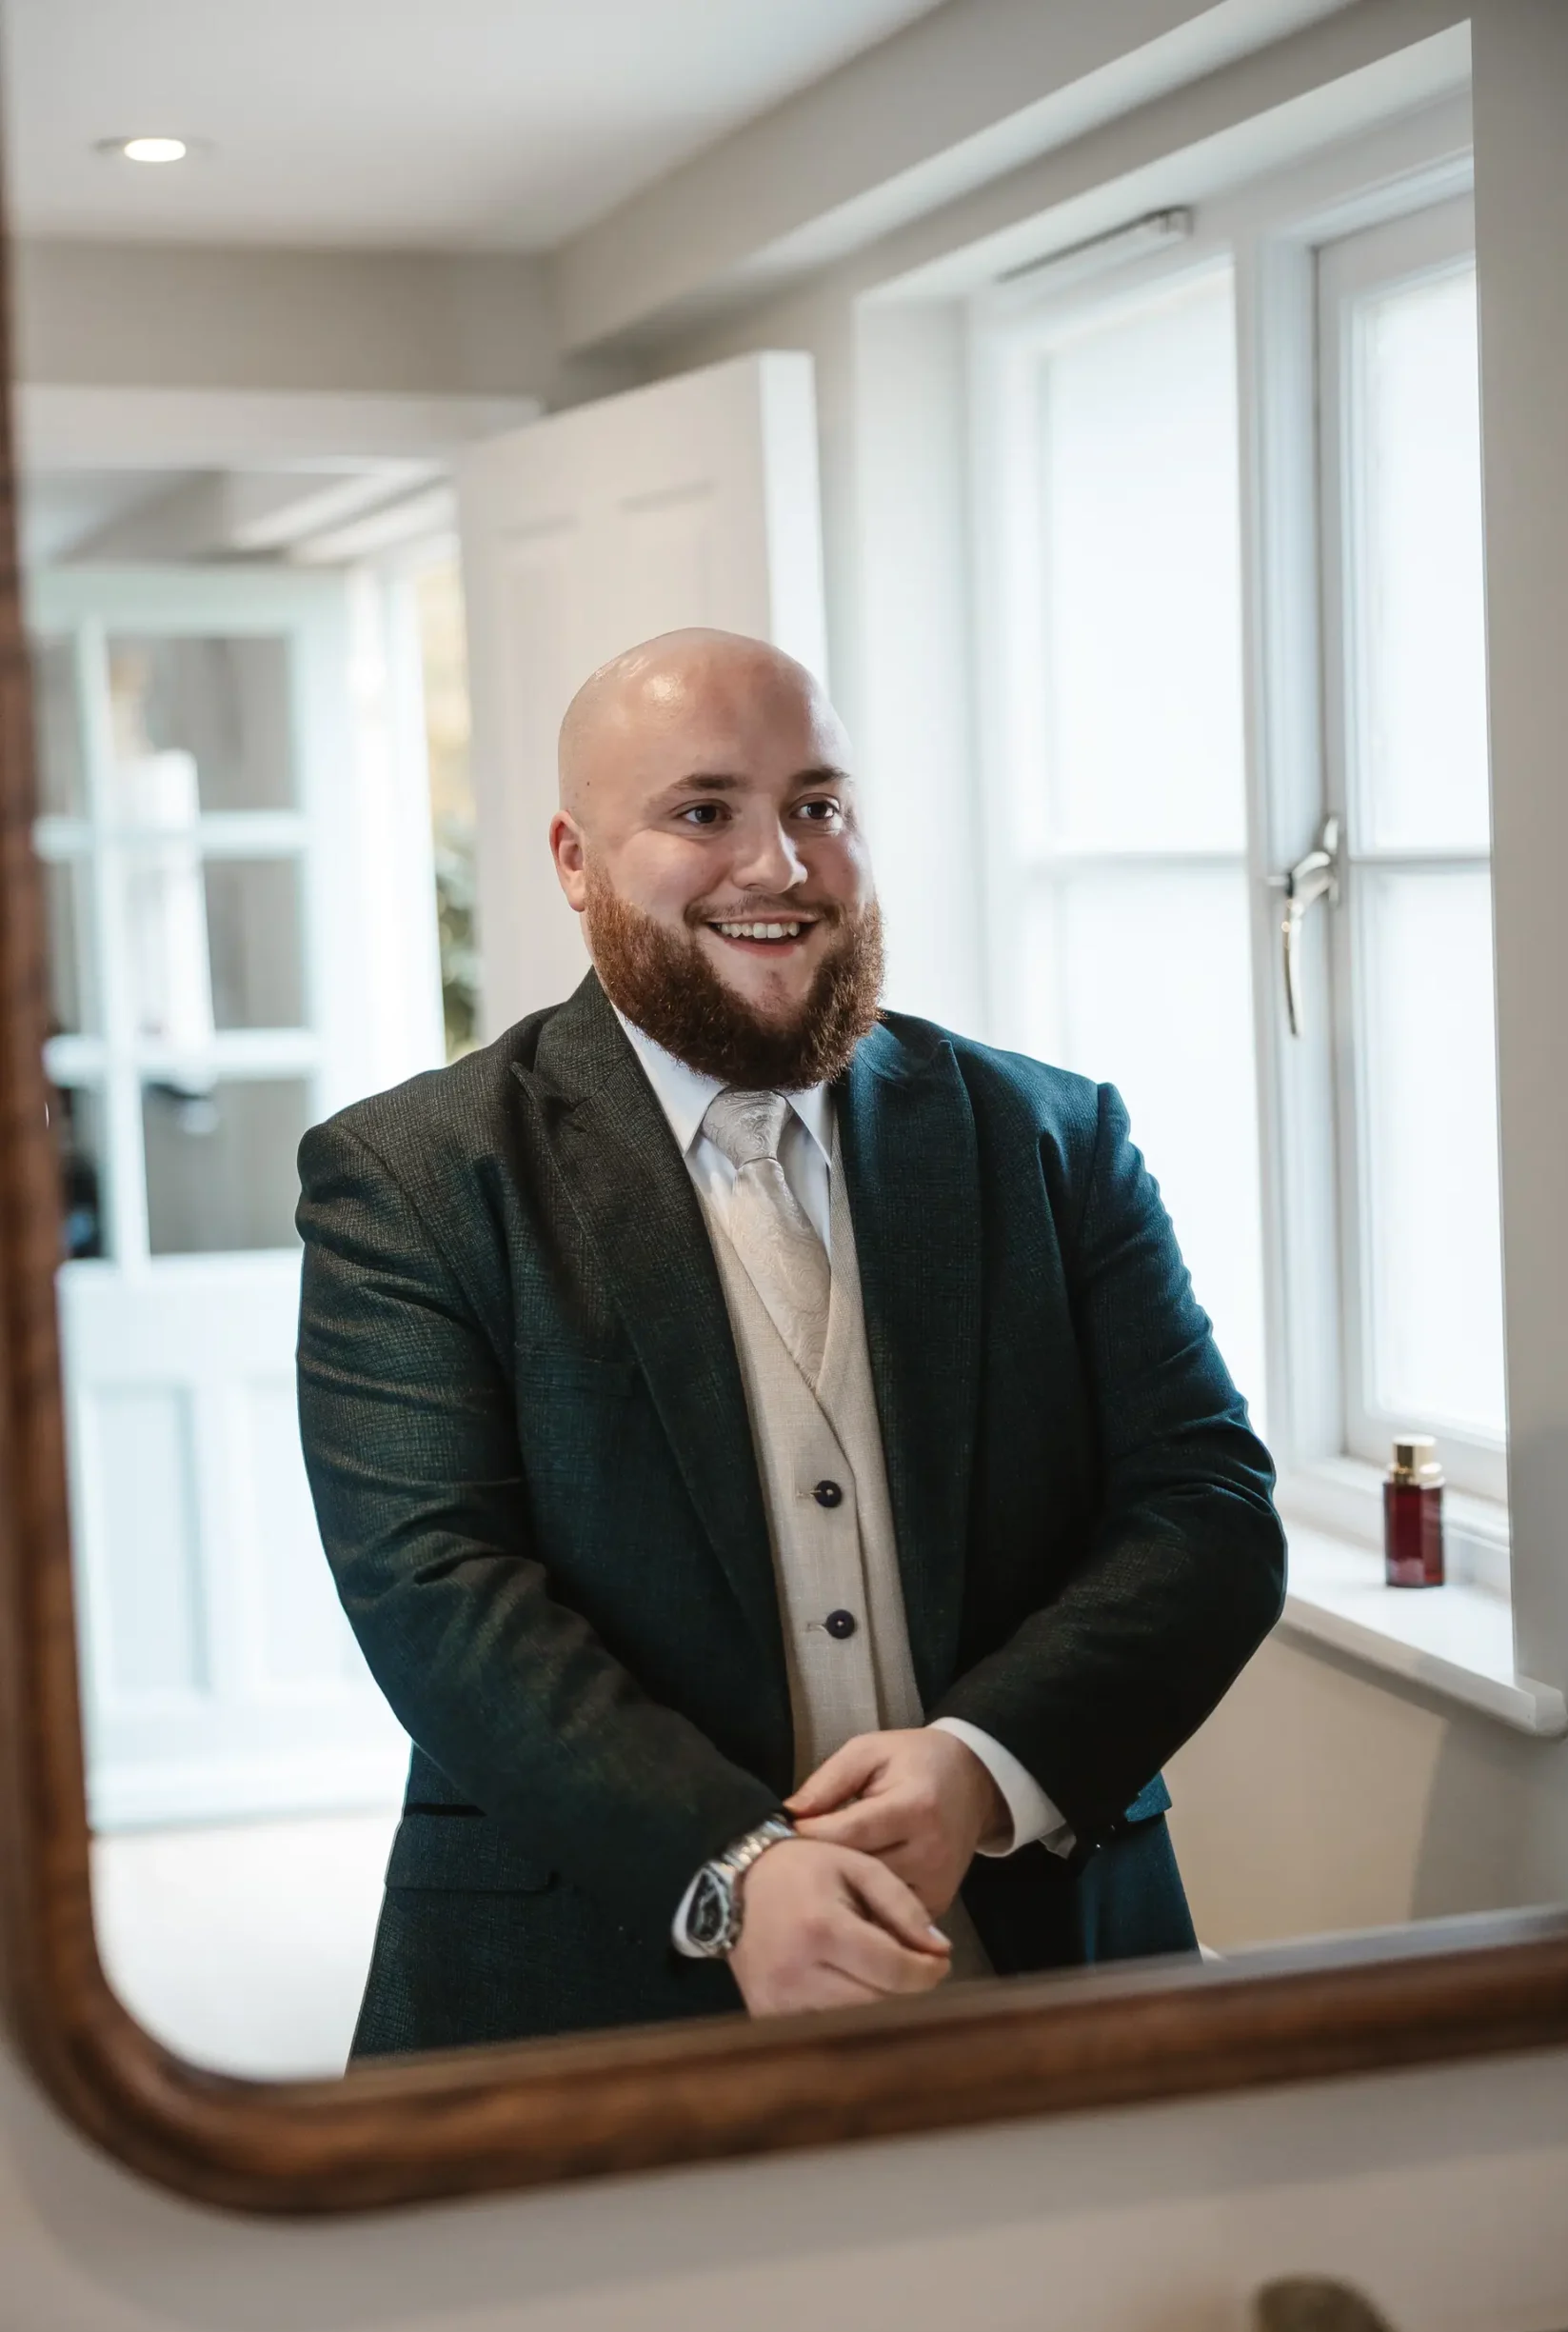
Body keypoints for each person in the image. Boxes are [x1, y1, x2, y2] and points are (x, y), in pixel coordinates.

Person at [295, 628, 1285, 2057]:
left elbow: (1206, 1510)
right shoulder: (413, 1178)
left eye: (816, 806)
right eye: (703, 812)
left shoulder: (1055, 1141)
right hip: (589, 1984)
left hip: (1037, 1951)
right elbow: (435, 1593)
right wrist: (733, 1867)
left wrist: (979, 1770)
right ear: (575, 862)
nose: (779, 864)